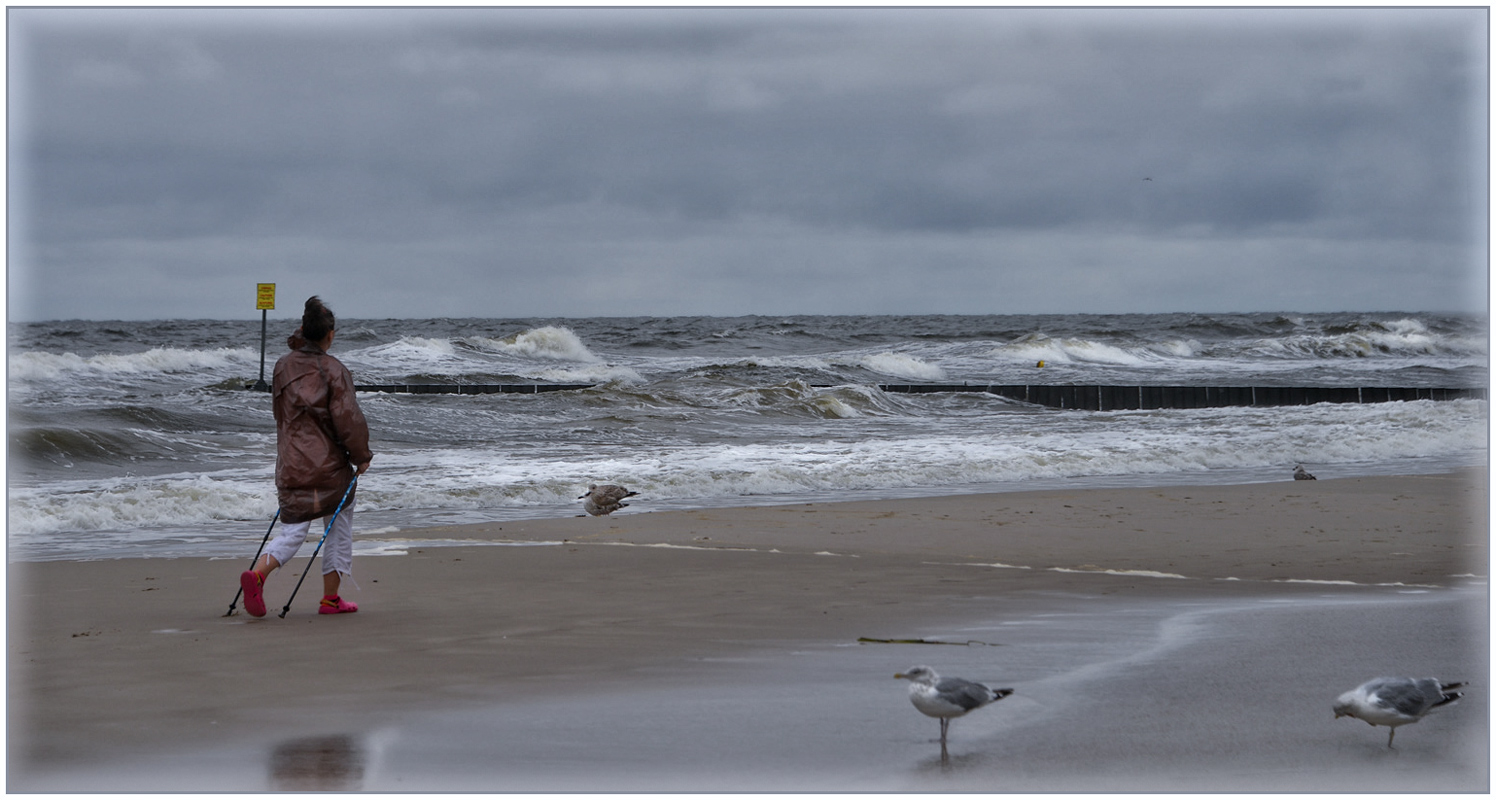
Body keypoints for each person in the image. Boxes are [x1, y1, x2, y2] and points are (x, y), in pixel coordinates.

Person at [240, 296, 373, 617]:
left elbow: (280, 414)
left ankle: (258, 574)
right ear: (330, 334)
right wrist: (362, 456)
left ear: (303, 329)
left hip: (290, 464)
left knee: (294, 529)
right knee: (338, 525)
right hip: (330, 468)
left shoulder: (282, 365)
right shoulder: (334, 370)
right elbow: (348, 419)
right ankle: (330, 599)